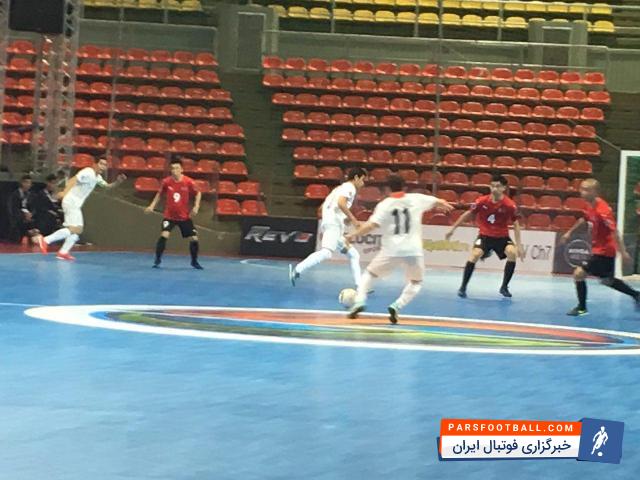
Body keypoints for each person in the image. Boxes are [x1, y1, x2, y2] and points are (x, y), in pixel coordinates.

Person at [345, 175, 454, 324]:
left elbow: (371, 225)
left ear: (387, 189)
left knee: (369, 274)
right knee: (416, 282)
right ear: (404, 187)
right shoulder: (416, 198)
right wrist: (443, 203)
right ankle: (397, 305)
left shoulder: (385, 204)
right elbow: (437, 201)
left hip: (392, 249)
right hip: (413, 250)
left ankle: (359, 301)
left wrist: (352, 236)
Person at [560, 179, 639, 316]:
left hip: (604, 250)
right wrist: (569, 232)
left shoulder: (603, 210)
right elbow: (584, 218)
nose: (582, 192)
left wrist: (623, 252)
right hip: (598, 248)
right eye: (581, 189)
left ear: (595, 191)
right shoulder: (589, 205)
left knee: (579, 274)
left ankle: (581, 308)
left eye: (586, 190)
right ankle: (636, 294)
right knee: (607, 280)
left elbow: (614, 231)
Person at [445, 174, 525, 298]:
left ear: (504, 188)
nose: (494, 189)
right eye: (492, 186)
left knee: (512, 253)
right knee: (474, 255)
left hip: (502, 237)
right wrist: (452, 229)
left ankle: (504, 287)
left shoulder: (509, 205)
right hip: (484, 236)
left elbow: (516, 223)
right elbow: (467, 214)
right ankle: (463, 287)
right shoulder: (481, 201)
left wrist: (519, 245)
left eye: (498, 186)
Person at [289, 167, 367, 288]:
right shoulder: (350, 187)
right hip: (333, 225)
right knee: (326, 253)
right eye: (362, 180)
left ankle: (360, 285)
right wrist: (354, 220)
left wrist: (342, 218)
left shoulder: (338, 189)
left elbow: (322, 208)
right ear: (356, 178)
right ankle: (298, 269)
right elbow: (341, 203)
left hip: (332, 224)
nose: (363, 183)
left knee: (353, 254)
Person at [38, 158, 126, 260]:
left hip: (75, 204)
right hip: (71, 201)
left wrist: (117, 182)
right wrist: (64, 193)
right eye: (101, 164)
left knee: (78, 230)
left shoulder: (98, 178)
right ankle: (46, 240)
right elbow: (73, 180)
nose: (103, 167)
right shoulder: (87, 172)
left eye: (105, 165)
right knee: (75, 229)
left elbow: (107, 186)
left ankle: (63, 252)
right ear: (95, 164)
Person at [145, 158, 203, 269]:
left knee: (194, 238)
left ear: (181, 169)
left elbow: (198, 193)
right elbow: (159, 194)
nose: (174, 171)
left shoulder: (188, 182)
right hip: (169, 217)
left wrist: (196, 206)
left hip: (184, 217)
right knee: (164, 235)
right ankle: (157, 259)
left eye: (176, 168)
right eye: (172, 168)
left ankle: (194, 261)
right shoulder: (166, 182)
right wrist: (152, 206)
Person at [7, 174, 38, 243]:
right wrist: (24, 215)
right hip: (18, 220)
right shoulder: (14, 195)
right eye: (26, 182)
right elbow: (13, 209)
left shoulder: (32, 195)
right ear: (22, 183)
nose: (28, 185)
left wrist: (31, 214)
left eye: (29, 183)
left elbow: (34, 207)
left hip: (29, 219)